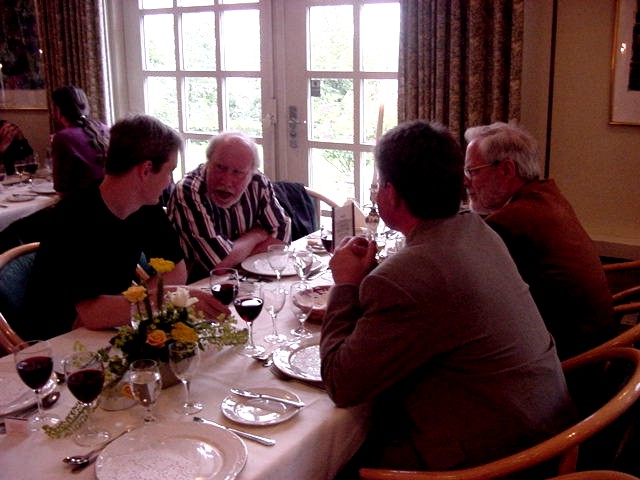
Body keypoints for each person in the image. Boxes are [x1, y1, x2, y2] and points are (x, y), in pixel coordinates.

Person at [320, 120, 576, 473]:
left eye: (380, 184)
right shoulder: (476, 229)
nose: (378, 192)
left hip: (501, 460)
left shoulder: (405, 277)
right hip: (545, 427)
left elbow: (341, 383)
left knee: (340, 458)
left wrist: (345, 285)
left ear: (392, 194)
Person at [20, 114, 227, 342]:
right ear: (146, 169)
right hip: (56, 341)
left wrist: (120, 307)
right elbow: (91, 314)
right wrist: (160, 300)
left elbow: (176, 271)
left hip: (108, 332)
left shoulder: (146, 208)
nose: (170, 180)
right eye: (169, 170)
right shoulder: (74, 218)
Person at [464, 122, 615, 360]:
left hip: (568, 364)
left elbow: (472, 298)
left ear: (505, 170)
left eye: (473, 171)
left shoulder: (510, 222)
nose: (466, 182)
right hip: (601, 347)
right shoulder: (548, 196)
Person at [167, 131, 291, 282]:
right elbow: (219, 264)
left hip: (245, 280)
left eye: (237, 172)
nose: (226, 181)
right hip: (195, 286)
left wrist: (234, 257)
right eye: (220, 167)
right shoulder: (189, 190)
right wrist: (256, 235)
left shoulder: (257, 182)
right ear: (208, 161)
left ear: (251, 172)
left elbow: (282, 234)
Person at [50, 85, 110, 197]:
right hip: (110, 199)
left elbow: (61, 190)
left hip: (85, 205)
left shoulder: (63, 138)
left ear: (58, 110)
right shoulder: (104, 129)